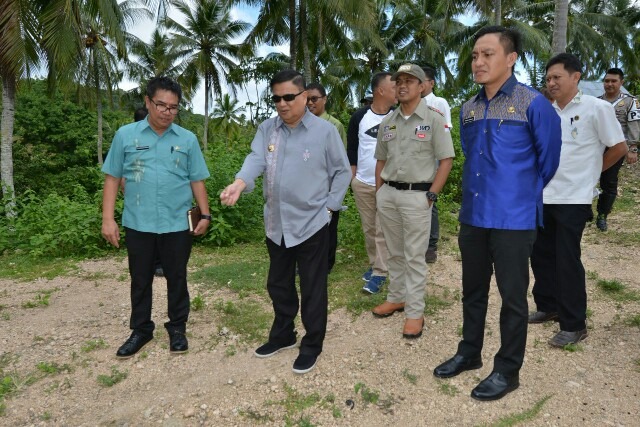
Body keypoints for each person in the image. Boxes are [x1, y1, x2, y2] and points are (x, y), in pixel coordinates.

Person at [433, 26, 562, 401]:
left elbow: (548, 161)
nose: (478, 61)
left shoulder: (533, 103)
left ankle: (507, 370)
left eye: (487, 54)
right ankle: (469, 352)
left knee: (512, 298)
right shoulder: (468, 108)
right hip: (473, 216)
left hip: (514, 219)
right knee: (472, 290)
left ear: (511, 58)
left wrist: (519, 193)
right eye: (475, 55)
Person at [220, 70, 350, 375]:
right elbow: (256, 159)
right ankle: (283, 335)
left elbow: (342, 171)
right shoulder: (268, 129)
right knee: (278, 283)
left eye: (288, 97)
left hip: (312, 223)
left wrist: (329, 209)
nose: (281, 104)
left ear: (304, 96)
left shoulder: (324, 131)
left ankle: (312, 343)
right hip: (276, 223)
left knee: (312, 286)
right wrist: (240, 182)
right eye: (276, 98)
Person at [102, 77, 211, 359]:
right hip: (138, 222)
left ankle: (177, 328)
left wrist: (206, 214)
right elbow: (113, 177)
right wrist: (108, 219)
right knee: (140, 279)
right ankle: (141, 330)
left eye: (173, 107)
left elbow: (197, 179)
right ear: (148, 102)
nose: (167, 111)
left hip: (177, 223)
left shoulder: (187, 139)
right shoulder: (126, 135)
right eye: (161, 104)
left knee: (177, 276)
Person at [529, 54, 627, 347]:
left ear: (576, 77)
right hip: (543, 195)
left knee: (566, 259)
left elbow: (619, 147)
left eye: (557, 77)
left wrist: (591, 172)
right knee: (541, 254)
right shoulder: (544, 111)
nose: (551, 83)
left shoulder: (596, 108)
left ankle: (574, 324)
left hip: (574, 197)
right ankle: (548, 306)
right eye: (548, 78)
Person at [371, 64, 455, 339]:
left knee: (415, 257)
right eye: (399, 81)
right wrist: (379, 191)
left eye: (410, 81)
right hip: (389, 195)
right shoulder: (388, 122)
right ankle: (396, 297)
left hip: (418, 197)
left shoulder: (433, 119)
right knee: (394, 252)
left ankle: (415, 313)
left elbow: (446, 160)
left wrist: (432, 194)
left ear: (423, 86)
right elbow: (381, 160)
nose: (403, 85)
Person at [347, 72, 396, 294]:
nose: (398, 90)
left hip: (388, 184)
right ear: (380, 91)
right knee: (369, 228)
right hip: (363, 183)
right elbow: (352, 148)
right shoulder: (359, 117)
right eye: (393, 87)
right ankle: (375, 262)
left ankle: (380, 273)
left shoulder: (398, 116)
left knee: (382, 230)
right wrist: (353, 178)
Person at [306, 82, 347, 273]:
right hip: (306, 186)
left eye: (314, 99)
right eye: (306, 99)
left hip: (328, 186)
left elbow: (341, 160)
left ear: (324, 99)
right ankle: (307, 262)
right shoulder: (300, 123)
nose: (310, 103)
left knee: (328, 227)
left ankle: (326, 264)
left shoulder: (334, 125)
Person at [594, 68, 639, 231]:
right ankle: (584, 211)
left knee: (609, 182)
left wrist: (633, 148)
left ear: (621, 82)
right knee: (587, 178)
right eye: (607, 81)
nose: (609, 84)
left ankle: (602, 215)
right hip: (595, 147)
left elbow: (633, 125)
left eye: (613, 81)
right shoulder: (596, 101)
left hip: (616, 148)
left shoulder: (630, 102)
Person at [421, 66, 454, 264]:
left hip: (433, 161)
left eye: (422, 80)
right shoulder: (411, 103)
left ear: (431, 83)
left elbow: (446, 130)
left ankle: (431, 246)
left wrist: (443, 161)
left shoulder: (439, 102)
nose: (419, 84)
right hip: (415, 163)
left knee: (430, 201)